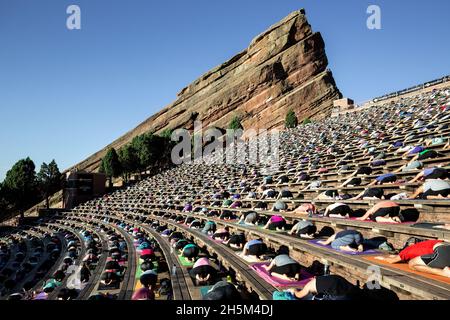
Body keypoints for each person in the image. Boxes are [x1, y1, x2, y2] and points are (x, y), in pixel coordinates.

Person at [287, 275, 361, 300]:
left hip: (339, 295)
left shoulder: (308, 286)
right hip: (347, 288)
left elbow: (299, 295)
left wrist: (294, 291)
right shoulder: (322, 279)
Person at [375, 239, 445, 264]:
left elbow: (392, 261)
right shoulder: (420, 245)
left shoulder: (406, 252)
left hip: (441, 252)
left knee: (412, 264)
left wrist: (382, 259)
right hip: (444, 246)